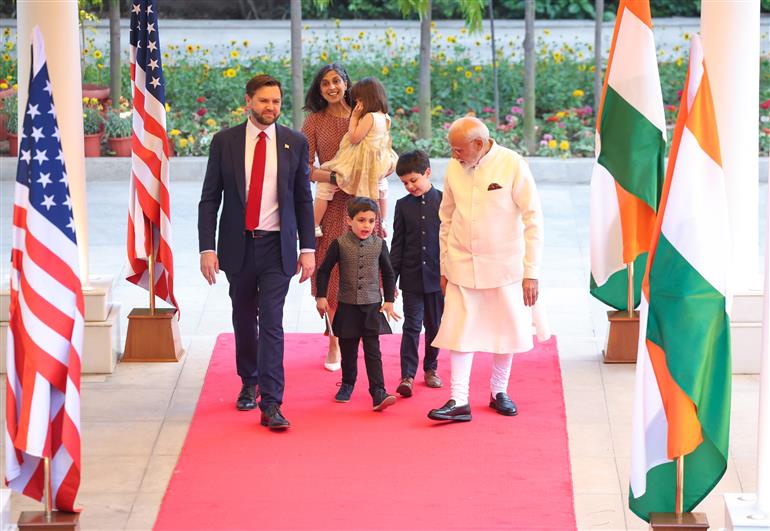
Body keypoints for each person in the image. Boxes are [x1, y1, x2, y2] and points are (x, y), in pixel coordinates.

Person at [198, 74, 315, 431]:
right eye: (264, 101)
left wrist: (308, 248)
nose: (271, 107)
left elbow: (303, 199)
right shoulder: (225, 142)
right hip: (239, 245)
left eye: (276, 101)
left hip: (278, 246)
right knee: (244, 316)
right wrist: (207, 248)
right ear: (248, 101)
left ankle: (272, 402)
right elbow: (210, 199)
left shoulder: (294, 142)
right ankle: (249, 380)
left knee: (273, 321)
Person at [427, 116, 544, 423]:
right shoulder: (454, 167)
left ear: (479, 143)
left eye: (458, 149)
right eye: (452, 149)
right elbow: (446, 218)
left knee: (505, 329)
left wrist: (531, 271)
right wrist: (444, 266)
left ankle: (499, 391)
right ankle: (458, 399)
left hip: (505, 265)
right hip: (461, 263)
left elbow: (533, 219)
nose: (454, 155)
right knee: (459, 330)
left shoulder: (512, 164)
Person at [303, 64, 386, 372]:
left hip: (364, 203)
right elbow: (303, 167)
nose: (331, 87)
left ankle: (362, 334)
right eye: (325, 83)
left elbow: (384, 150)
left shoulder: (366, 115)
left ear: (346, 83)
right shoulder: (314, 121)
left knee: (365, 272)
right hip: (333, 203)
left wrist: (385, 169)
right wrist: (334, 177)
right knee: (333, 272)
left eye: (336, 80)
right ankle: (334, 339)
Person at [315, 197, 400, 411]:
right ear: (349, 220)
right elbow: (323, 270)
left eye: (371, 221)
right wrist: (321, 296)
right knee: (348, 348)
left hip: (372, 306)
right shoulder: (340, 243)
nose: (366, 226)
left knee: (373, 350)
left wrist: (389, 300)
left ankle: (378, 391)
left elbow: (388, 273)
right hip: (347, 306)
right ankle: (347, 383)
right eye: (361, 220)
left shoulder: (379, 244)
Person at [390, 150, 444, 397]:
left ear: (427, 173)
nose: (410, 186)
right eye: (404, 183)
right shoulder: (402, 206)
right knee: (411, 326)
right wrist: (391, 281)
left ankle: (431, 368)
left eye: (413, 180)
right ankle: (407, 375)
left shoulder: (444, 201)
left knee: (435, 327)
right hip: (411, 278)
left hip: (438, 279)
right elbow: (397, 246)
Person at [315, 76, 396, 238]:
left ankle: (315, 224)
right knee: (382, 187)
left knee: (325, 186)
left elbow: (354, 138)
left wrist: (354, 117)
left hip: (361, 164)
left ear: (367, 99)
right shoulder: (386, 117)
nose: (357, 103)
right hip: (379, 163)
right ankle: (382, 221)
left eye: (359, 99)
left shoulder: (369, 117)